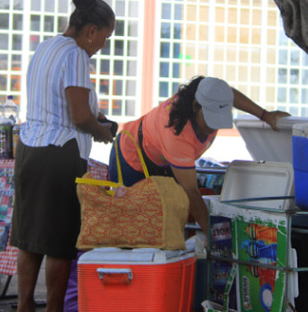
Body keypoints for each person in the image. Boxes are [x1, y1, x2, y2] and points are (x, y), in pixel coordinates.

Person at [9, 0, 115, 312]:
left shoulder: (46, 47)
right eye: (104, 37)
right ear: (91, 31)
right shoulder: (76, 57)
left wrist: (95, 118)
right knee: (58, 241)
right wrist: (102, 131)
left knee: (30, 239)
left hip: (29, 148)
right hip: (60, 153)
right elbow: (80, 116)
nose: (102, 45)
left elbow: (59, 101)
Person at [110, 76, 289, 235]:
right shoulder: (176, 133)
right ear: (195, 107)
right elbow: (191, 192)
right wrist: (213, 235)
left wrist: (265, 115)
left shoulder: (211, 98)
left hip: (163, 162)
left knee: (167, 224)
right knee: (134, 229)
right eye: (210, 120)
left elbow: (228, 94)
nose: (212, 128)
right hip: (131, 157)